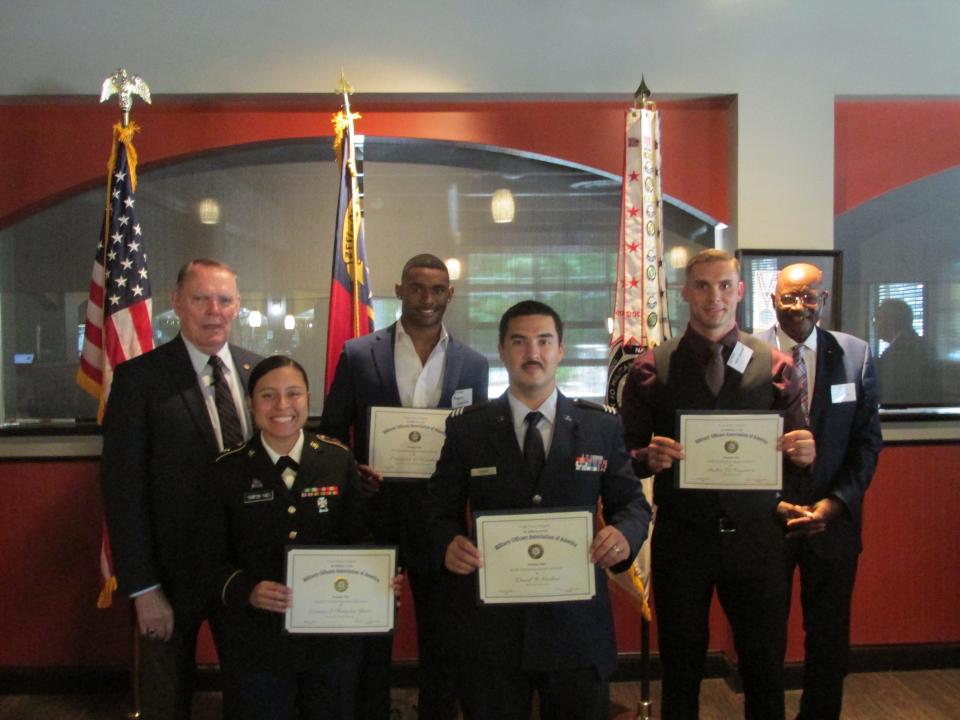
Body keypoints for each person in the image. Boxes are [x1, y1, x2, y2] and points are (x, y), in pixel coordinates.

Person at [427, 299, 651, 720]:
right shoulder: (467, 428)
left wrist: (624, 535)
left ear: (561, 350)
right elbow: (438, 509)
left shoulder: (601, 426)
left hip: (576, 629)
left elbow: (633, 506)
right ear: (502, 350)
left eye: (544, 341)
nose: (533, 353)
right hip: (493, 630)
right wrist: (446, 543)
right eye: (520, 342)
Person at [620, 249, 816, 720]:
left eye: (725, 285)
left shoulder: (776, 365)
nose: (715, 297)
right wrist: (647, 457)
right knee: (681, 670)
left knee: (765, 670)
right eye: (703, 286)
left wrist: (805, 453)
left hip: (758, 539)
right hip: (682, 539)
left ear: (741, 291)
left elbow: (795, 454)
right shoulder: (649, 367)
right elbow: (621, 459)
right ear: (685, 292)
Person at [320, 253, 489, 719]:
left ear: (450, 294)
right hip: (374, 518)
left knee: (443, 636)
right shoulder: (358, 354)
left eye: (438, 289)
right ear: (399, 289)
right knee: (372, 632)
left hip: (441, 522)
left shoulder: (472, 365)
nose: (427, 299)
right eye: (417, 287)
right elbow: (332, 435)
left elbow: (476, 442)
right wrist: (353, 471)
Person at [101, 258, 261, 719]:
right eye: (200, 298)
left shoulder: (257, 372)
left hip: (245, 571)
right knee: (166, 701)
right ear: (176, 303)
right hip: (169, 577)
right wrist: (144, 588)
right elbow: (122, 490)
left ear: (237, 305)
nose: (214, 310)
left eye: (224, 299)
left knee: (253, 694)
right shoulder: (139, 380)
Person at [196, 356, 373, 720]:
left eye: (293, 394)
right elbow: (207, 559)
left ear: (308, 398)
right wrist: (248, 589)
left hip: (329, 635)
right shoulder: (226, 470)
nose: (282, 406)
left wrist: (376, 577)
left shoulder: (338, 460)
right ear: (249, 402)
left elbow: (358, 538)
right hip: (256, 639)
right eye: (267, 396)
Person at [756, 263, 882, 720]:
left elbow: (867, 442)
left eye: (809, 296)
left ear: (823, 301)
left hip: (833, 524)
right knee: (763, 638)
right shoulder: (746, 355)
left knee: (828, 640)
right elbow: (737, 441)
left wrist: (835, 504)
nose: (799, 305)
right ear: (773, 300)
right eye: (789, 296)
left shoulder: (856, 355)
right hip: (767, 523)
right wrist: (771, 504)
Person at [874, 298, 937, 405]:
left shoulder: (900, 352)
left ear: (891, 320)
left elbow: (893, 397)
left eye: (878, 319)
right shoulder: (921, 345)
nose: (874, 325)